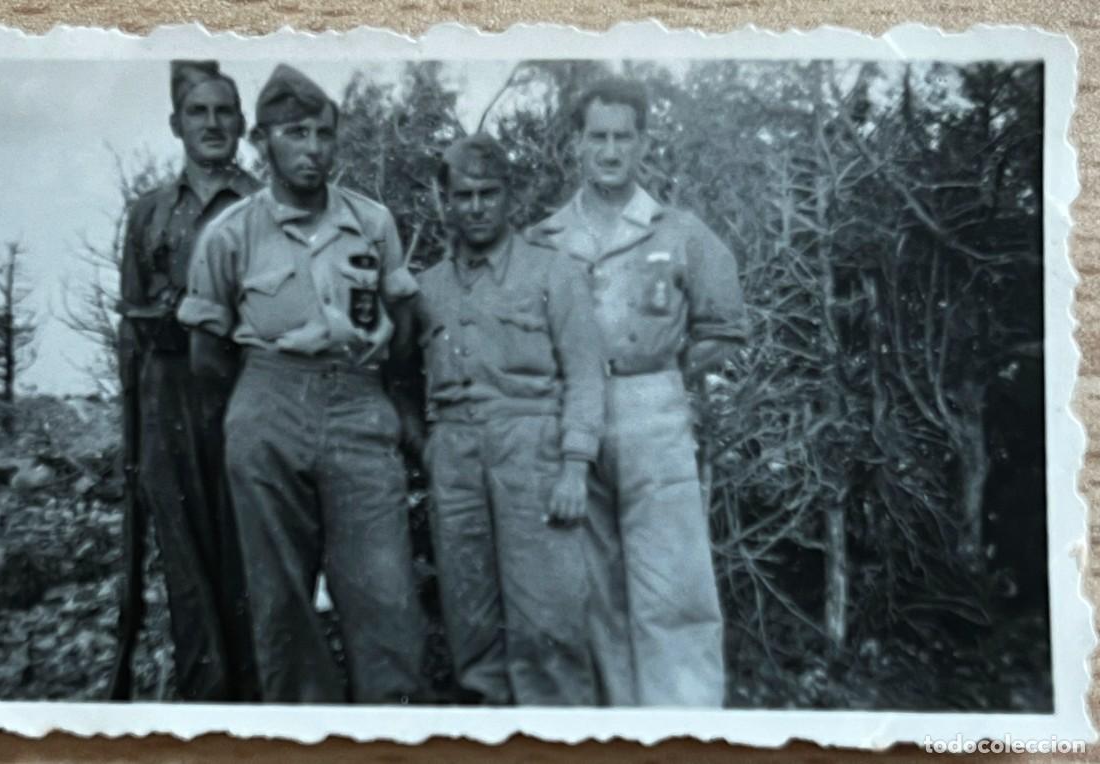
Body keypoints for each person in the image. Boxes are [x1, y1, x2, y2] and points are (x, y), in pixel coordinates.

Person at [177, 63, 426, 704]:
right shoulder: (229, 235)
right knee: (279, 591)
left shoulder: (373, 223)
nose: (311, 150)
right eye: (294, 134)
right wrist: (262, 404)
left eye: (322, 134)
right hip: (267, 401)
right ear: (263, 142)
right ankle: (303, 726)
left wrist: (384, 400)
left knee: (383, 587)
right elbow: (207, 355)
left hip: (359, 405)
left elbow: (401, 325)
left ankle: (388, 729)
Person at [530, 76, 748, 707]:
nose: (609, 150)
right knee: (593, 583)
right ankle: (621, 727)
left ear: (644, 143)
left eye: (623, 137)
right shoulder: (544, 239)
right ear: (575, 143)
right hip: (572, 415)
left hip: (652, 406)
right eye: (597, 136)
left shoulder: (678, 231)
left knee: (673, 584)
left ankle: (686, 728)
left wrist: (674, 374)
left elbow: (727, 329)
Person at [403, 134, 604, 705]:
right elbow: (399, 379)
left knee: (549, 619)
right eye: (463, 195)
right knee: (471, 616)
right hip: (455, 459)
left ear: (509, 195)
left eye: (489, 193)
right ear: (445, 200)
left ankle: (562, 739)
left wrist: (574, 465)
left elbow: (586, 373)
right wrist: (430, 448)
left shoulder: (553, 274)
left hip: (532, 451)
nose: (477, 206)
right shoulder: (425, 289)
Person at [115, 60, 260, 702]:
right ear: (177, 125)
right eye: (197, 113)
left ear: (242, 125)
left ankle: (258, 703)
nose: (211, 124)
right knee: (184, 558)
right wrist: (134, 434)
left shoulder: (265, 206)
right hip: (165, 394)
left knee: (247, 553)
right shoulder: (147, 213)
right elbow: (130, 322)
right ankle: (206, 700)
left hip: (242, 389)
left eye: (223, 112)